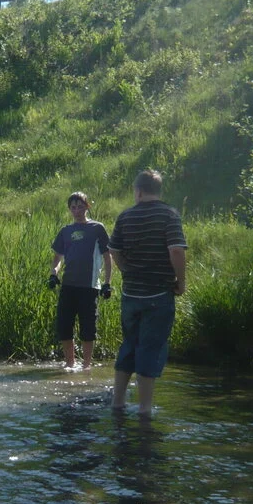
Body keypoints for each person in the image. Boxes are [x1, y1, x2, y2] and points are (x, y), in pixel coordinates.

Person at [108, 169, 187, 415]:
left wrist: (126, 271)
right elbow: (176, 251)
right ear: (157, 191)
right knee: (150, 348)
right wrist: (181, 283)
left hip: (131, 295)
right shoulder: (169, 215)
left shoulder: (125, 216)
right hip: (158, 295)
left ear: (138, 191)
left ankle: (118, 402)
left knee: (129, 345)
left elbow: (115, 251)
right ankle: (144, 409)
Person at [48, 191, 112, 370]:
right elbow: (57, 258)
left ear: (87, 207)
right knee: (64, 325)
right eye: (73, 207)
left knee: (88, 327)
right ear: (69, 209)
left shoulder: (97, 228)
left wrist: (107, 283)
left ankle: (86, 366)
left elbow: (108, 257)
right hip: (68, 285)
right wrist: (53, 274)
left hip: (89, 286)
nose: (77, 210)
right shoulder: (65, 231)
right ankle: (70, 364)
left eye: (80, 206)